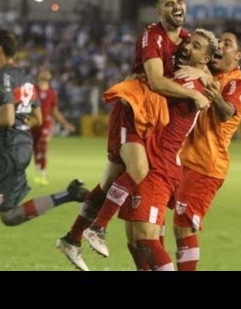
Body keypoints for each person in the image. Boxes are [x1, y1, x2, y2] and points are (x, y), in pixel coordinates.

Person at [56, 0, 209, 271]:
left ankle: (72, 238)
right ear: (159, 12)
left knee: (109, 182)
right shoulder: (152, 36)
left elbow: (204, 66)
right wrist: (193, 94)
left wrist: (201, 72)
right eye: (168, 4)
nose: (176, 7)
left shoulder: (187, 41)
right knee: (139, 171)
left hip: (152, 115)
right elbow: (156, 81)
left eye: (180, 1)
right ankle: (98, 228)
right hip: (134, 109)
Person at [85, 29, 217, 270]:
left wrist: (134, 83)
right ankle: (93, 227)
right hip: (152, 158)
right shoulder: (184, 75)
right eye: (189, 43)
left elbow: (155, 84)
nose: (187, 47)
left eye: (196, 47)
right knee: (136, 240)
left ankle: (96, 226)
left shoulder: (187, 82)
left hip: (159, 165)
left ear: (206, 59)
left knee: (145, 238)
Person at [0, 29, 89, 271]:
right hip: (18, 146)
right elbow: (38, 118)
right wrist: (17, 127)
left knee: (8, 216)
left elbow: (8, 118)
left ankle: (68, 194)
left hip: (9, 151)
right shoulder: (26, 77)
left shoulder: (2, 76)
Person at [172, 29, 241, 270]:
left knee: (183, 226)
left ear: (238, 56)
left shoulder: (237, 83)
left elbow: (227, 113)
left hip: (206, 165)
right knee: (152, 217)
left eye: (227, 44)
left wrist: (214, 94)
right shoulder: (207, 73)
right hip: (182, 159)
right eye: (219, 41)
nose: (219, 45)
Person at [31, 68, 75, 186]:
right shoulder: (32, 90)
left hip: (46, 123)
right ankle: (38, 171)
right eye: (44, 71)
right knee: (35, 149)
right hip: (33, 123)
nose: (46, 73)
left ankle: (43, 174)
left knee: (44, 145)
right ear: (39, 75)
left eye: (48, 72)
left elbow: (55, 111)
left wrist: (65, 123)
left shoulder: (52, 93)